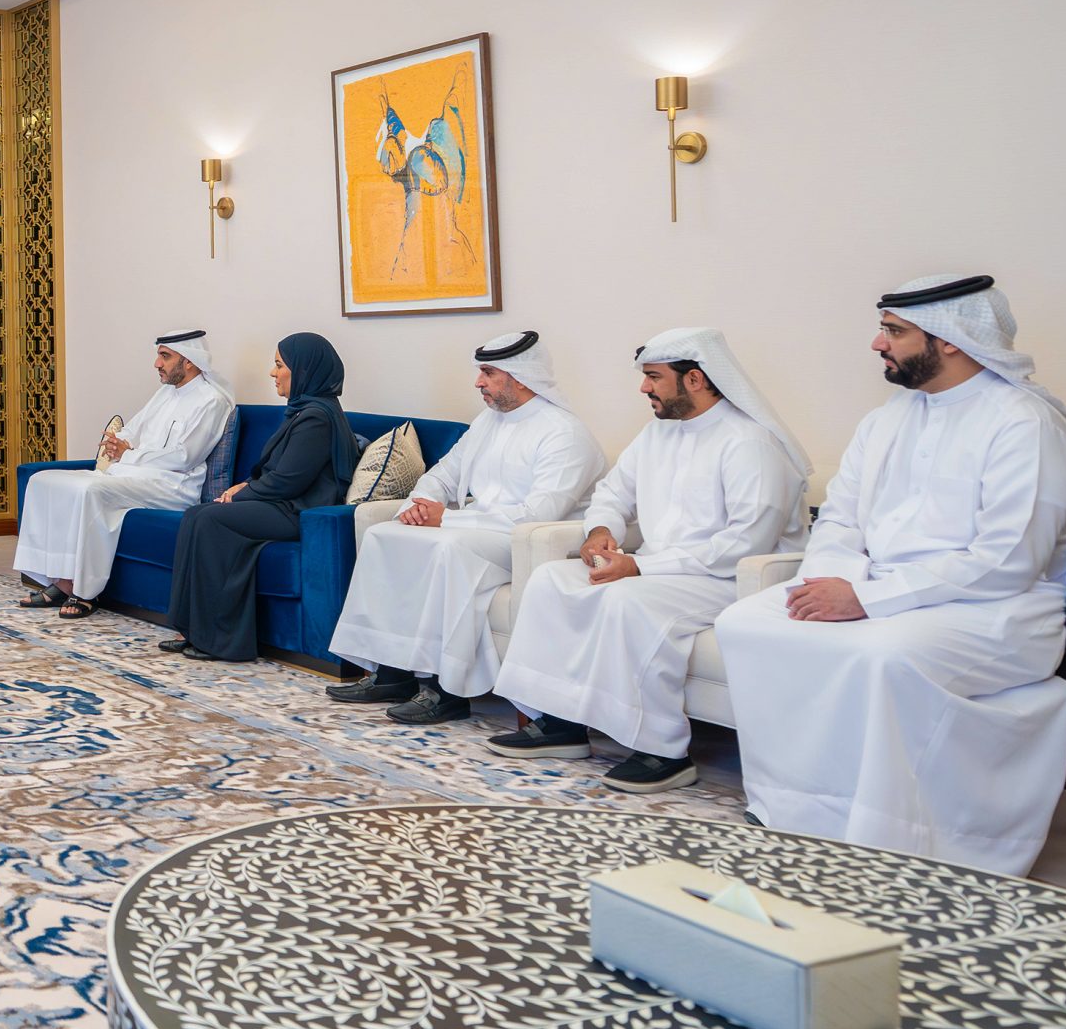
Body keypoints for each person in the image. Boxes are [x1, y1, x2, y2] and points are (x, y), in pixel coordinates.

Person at [714, 274, 1066, 874]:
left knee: (884, 655)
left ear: (948, 339)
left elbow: (1007, 562)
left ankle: (889, 833)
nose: (879, 344)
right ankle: (797, 810)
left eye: (894, 332)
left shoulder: (1024, 424)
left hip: (1005, 606)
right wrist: (835, 584)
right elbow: (840, 517)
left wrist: (867, 601)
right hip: (881, 588)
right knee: (745, 622)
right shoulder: (888, 419)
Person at [486, 328, 808, 792]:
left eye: (653, 377)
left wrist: (640, 567)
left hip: (729, 578)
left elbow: (745, 542)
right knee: (552, 579)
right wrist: (602, 533)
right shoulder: (657, 433)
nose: (643, 388)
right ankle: (559, 724)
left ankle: (664, 753)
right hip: (663, 570)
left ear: (695, 379)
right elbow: (614, 493)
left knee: (627, 602)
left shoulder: (749, 442)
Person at [326, 330, 605, 722]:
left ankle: (447, 690)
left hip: (531, 540)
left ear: (520, 376)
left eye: (488, 373)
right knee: (383, 535)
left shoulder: (564, 433)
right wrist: (422, 504)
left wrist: (449, 519)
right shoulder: (489, 422)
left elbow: (540, 512)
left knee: (447, 548)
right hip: (479, 527)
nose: (478, 382)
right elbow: (444, 472)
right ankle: (390, 672)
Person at [158, 334, 359, 662]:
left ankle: (220, 640)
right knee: (196, 515)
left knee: (210, 518)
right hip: (279, 504)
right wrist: (244, 488)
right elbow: (275, 472)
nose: (272, 373)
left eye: (279, 365)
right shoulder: (304, 411)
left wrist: (240, 495)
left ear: (304, 370)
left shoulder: (317, 417)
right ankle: (193, 628)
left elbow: (287, 481)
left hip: (298, 512)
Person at [15, 328, 233, 619]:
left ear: (190, 361)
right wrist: (121, 443)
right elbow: (132, 428)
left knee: (92, 491)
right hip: (133, 473)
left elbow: (184, 457)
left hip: (174, 485)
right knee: (42, 480)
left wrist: (129, 453)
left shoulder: (212, 401)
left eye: (165, 357)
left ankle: (85, 591)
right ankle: (60, 580)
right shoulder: (165, 393)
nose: (157, 364)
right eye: (159, 356)